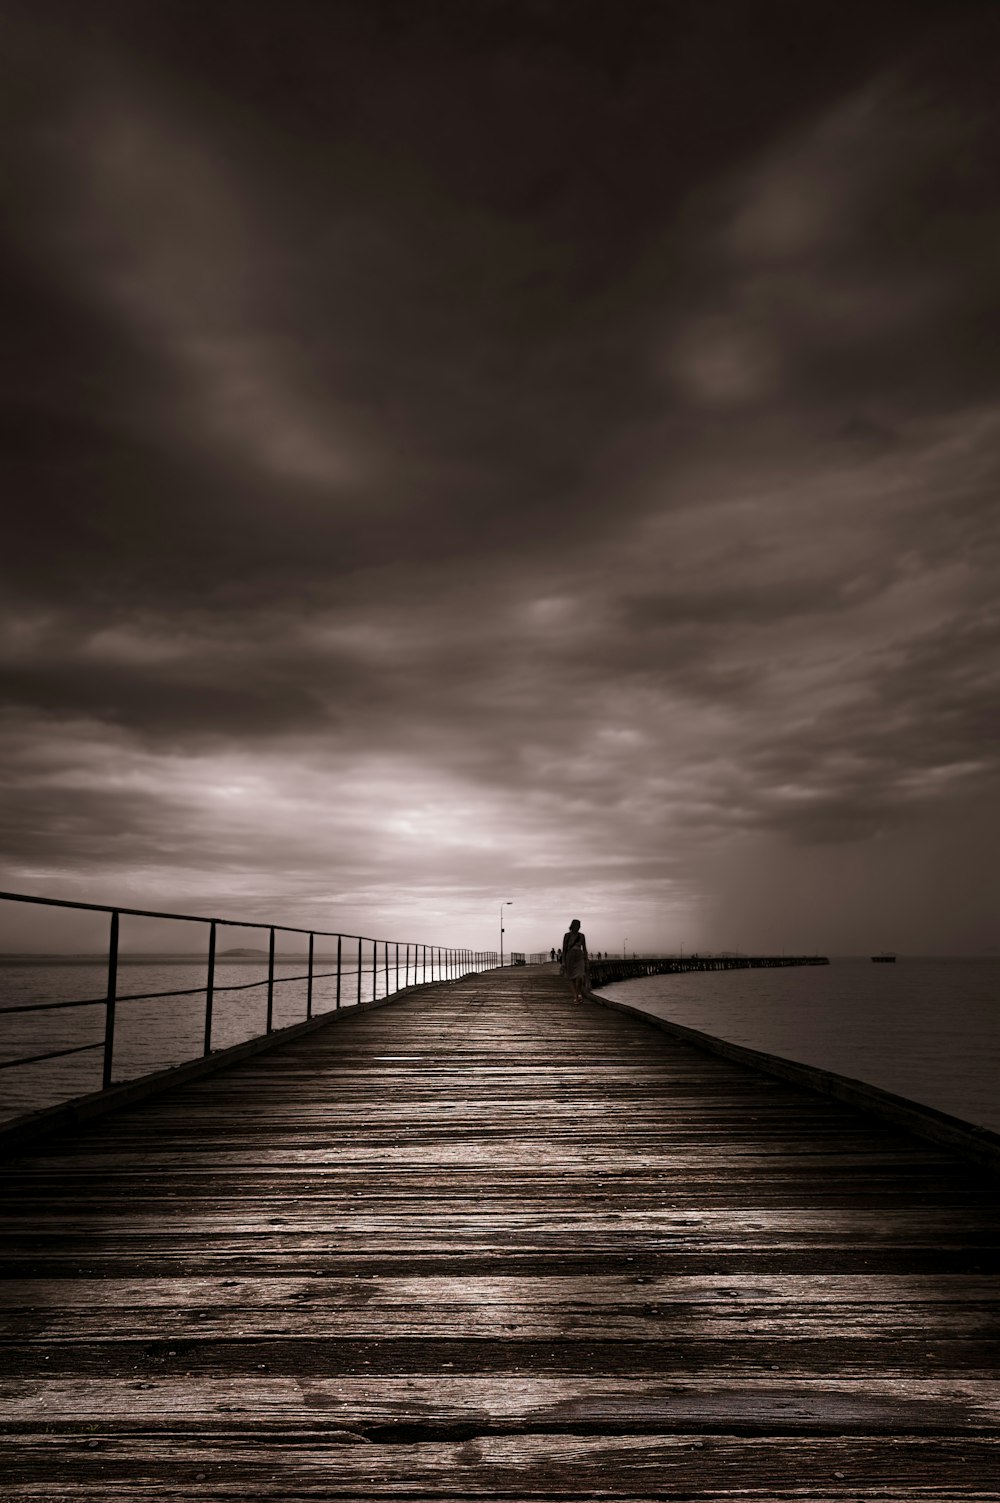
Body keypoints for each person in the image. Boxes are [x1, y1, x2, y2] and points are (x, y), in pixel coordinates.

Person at [561, 918, 588, 1003]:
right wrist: (563, 962)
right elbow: (564, 949)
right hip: (570, 957)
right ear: (573, 926)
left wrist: (586, 961)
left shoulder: (581, 936)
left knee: (580, 976)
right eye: (577, 925)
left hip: (579, 957)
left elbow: (584, 949)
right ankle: (575, 997)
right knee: (571, 978)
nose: (578, 927)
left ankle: (579, 993)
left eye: (579, 926)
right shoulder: (567, 936)